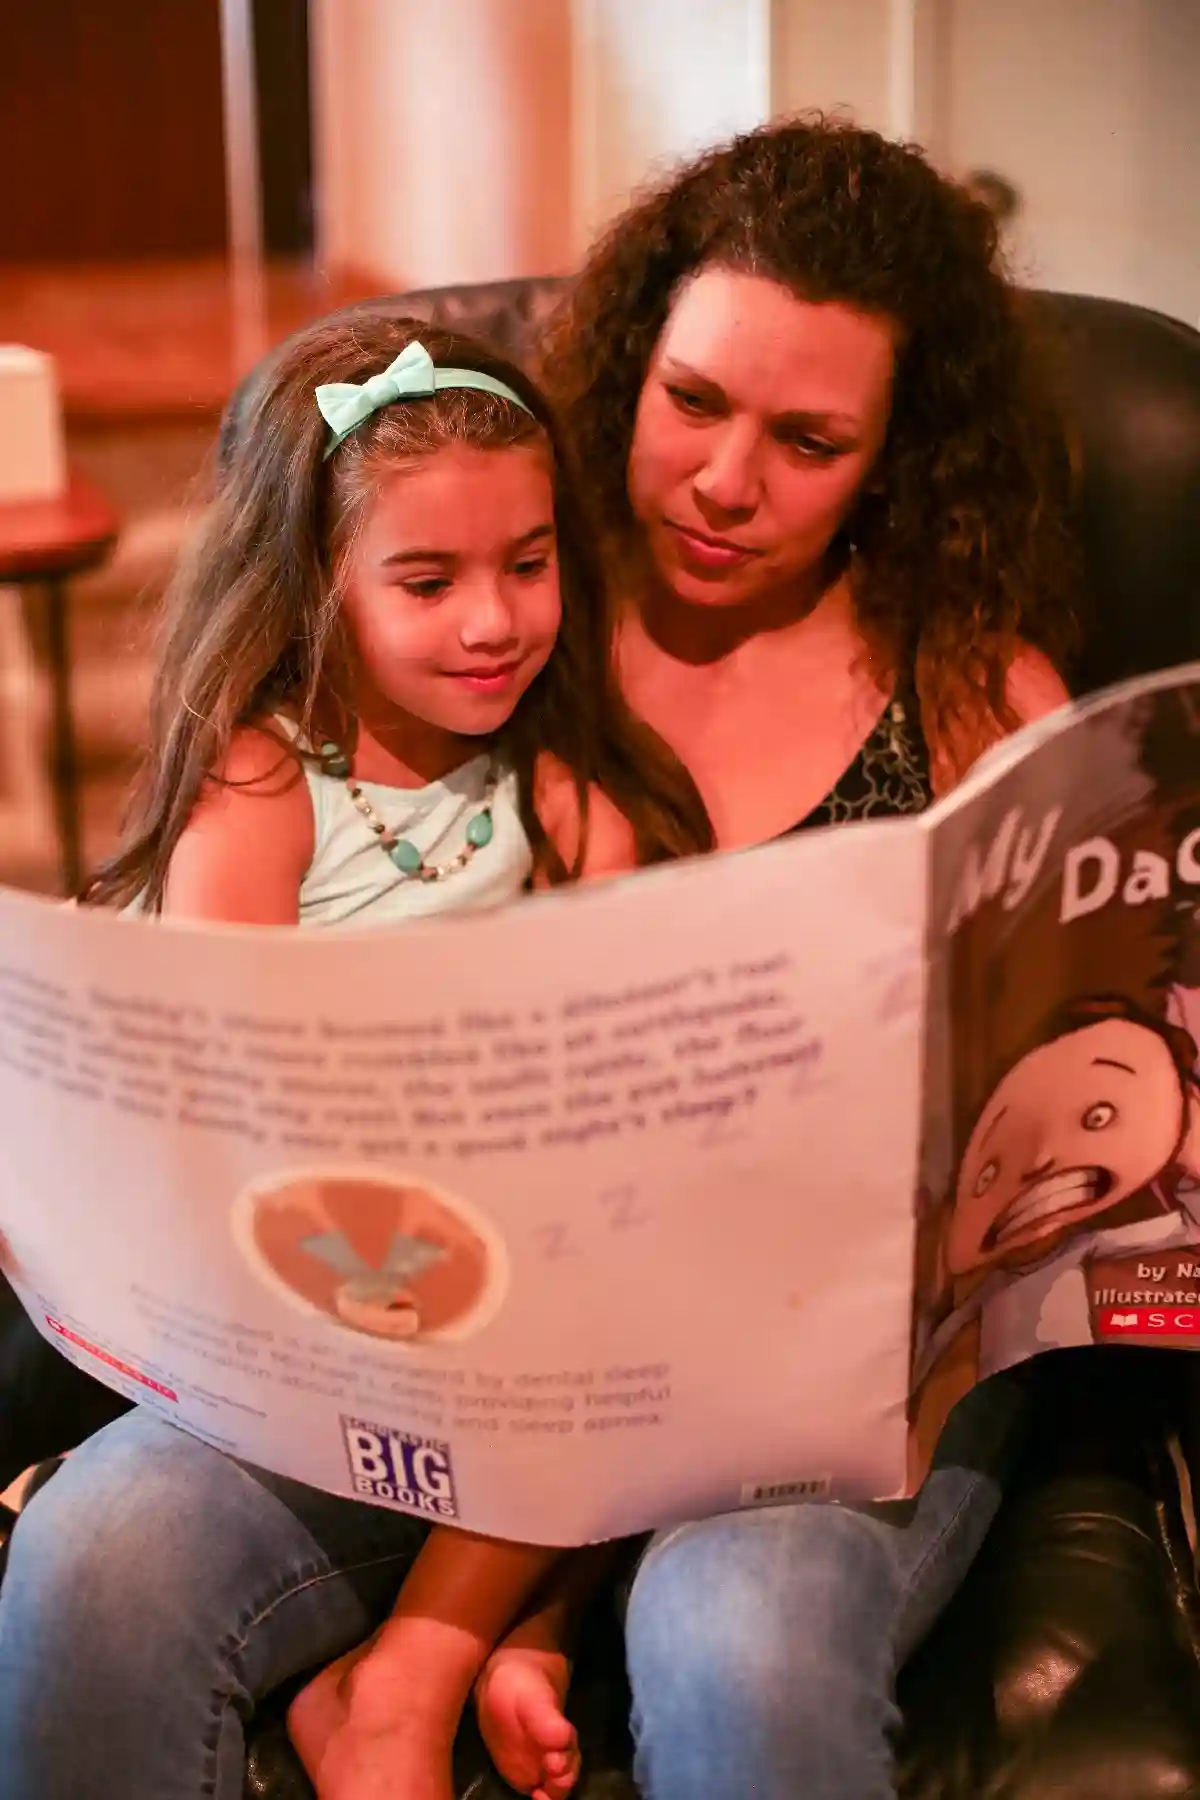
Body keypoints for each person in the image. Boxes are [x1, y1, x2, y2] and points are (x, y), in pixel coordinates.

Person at [0, 114, 1078, 1800]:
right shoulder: (501, 639)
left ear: (898, 453)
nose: (728, 481)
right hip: (457, 1332)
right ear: (630, 365)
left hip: (824, 1381)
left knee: (739, 1639)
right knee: (102, 1559)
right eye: (695, 403)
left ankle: (487, 1640)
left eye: (810, 440)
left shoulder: (976, 700)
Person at [0, 311, 705, 1800]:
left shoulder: (571, 812)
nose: (494, 621)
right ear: (321, 583)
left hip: (482, 1303)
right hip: (274, 1290)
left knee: (621, 1295)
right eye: (428, 580)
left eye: (529, 564)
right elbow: (212, 1095)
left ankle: (475, 1651)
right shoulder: (265, 789)